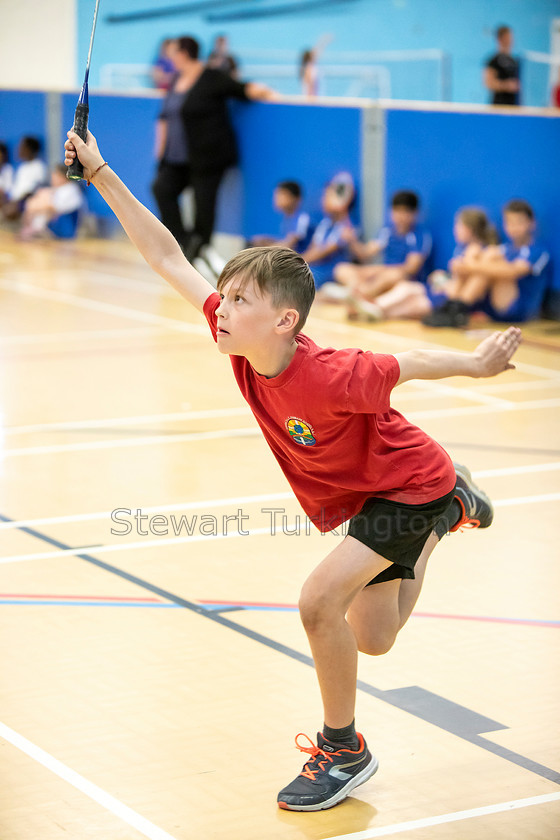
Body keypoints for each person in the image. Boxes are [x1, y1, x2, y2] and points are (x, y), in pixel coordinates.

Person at [65, 128, 523, 812]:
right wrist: (100, 169)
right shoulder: (242, 341)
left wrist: (478, 364)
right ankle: (454, 509)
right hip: (376, 495)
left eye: (239, 300)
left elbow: (409, 363)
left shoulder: (331, 373)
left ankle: (343, 750)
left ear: (284, 320)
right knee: (375, 639)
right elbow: (165, 253)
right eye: (223, 296)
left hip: (405, 482)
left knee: (317, 602)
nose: (221, 307)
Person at [152, 35, 275, 264]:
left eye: (173, 52)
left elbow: (242, 89)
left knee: (204, 206)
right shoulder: (176, 79)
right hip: (177, 158)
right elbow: (164, 116)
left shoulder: (211, 77)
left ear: (184, 53)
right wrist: (160, 152)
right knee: (161, 188)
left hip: (208, 157)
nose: (170, 57)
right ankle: (186, 241)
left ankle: (199, 252)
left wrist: (268, 93)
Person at [426, 200, 549, 328]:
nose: (514, 227)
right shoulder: (504, 248)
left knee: (490, 261)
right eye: (509, 222)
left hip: (520, 310)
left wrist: (470, 264)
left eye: (519, 222)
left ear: (532, 223)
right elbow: (460, 267)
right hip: (494, 306)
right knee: (485, 257)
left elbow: (512, 272)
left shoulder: (538, 251)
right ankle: (454, 307)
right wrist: (465, 262)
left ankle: (459, 307)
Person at [335, 190, 432, 305]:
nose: (400, 216)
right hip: (381, 274)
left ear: (415, 213)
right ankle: (360, 294)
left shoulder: (420, 236)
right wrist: (351, 240)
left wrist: (379, 270)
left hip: (402, 279)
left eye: (405, 212)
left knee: (392, 275)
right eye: (397, 211)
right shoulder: (386, 231)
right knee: (342, 269)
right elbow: (365, 253)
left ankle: (358, 297)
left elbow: (410, 268)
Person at [422, 207, 499, 328]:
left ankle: (457, 310)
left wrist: (444, 282)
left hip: (464, 301)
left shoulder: (483, 251)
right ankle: (454, 309)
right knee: (408, 291)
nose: (455, 230)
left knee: (409, 293)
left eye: (458, 225)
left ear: (469, 229)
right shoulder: (462, 250)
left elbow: (461, 281)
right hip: (451, 296)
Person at [300, 173, 355, 299]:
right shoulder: (325, 224)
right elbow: (314, 248)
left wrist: (297, 261)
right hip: (316, 267)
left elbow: (324, 251)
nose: (323, 200)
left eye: (327, 196)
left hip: (331, 271)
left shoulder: (346, 225)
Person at [18, 163, 83, 240]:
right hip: (55, 224)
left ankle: (37, 229)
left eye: (55, 175)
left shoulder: (70, 189)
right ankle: (34, 228)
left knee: (43, 199)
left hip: (64, 227)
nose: (52, 178)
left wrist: (34, 206)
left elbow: (53, 207)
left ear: (62, 177)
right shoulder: (58, 189)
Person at [249, 180, 313, 253]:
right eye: (276, 195)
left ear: (296, 198)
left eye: (281, 195)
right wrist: (267, 241)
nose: (276, 199)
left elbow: (289, 245)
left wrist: (265, 248)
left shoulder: (302, 218)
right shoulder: (287, 219)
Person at [1, 136, 48, 221]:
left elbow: (35, 189)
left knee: (11, 210)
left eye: (23, 147)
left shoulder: (38, 166)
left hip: (26, 201)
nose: (19, 150)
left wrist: (17, 202)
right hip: (15, 200)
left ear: (30, 150)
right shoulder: (22, 167)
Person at [484, 25, 520, 106]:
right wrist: (506, 85)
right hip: (499, 105)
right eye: (507, 37)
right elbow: (488, 83)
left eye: (511, 37)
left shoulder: (514, 61)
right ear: (500, 39)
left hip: (514, 106)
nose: (511, 40)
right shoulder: (493, 61)